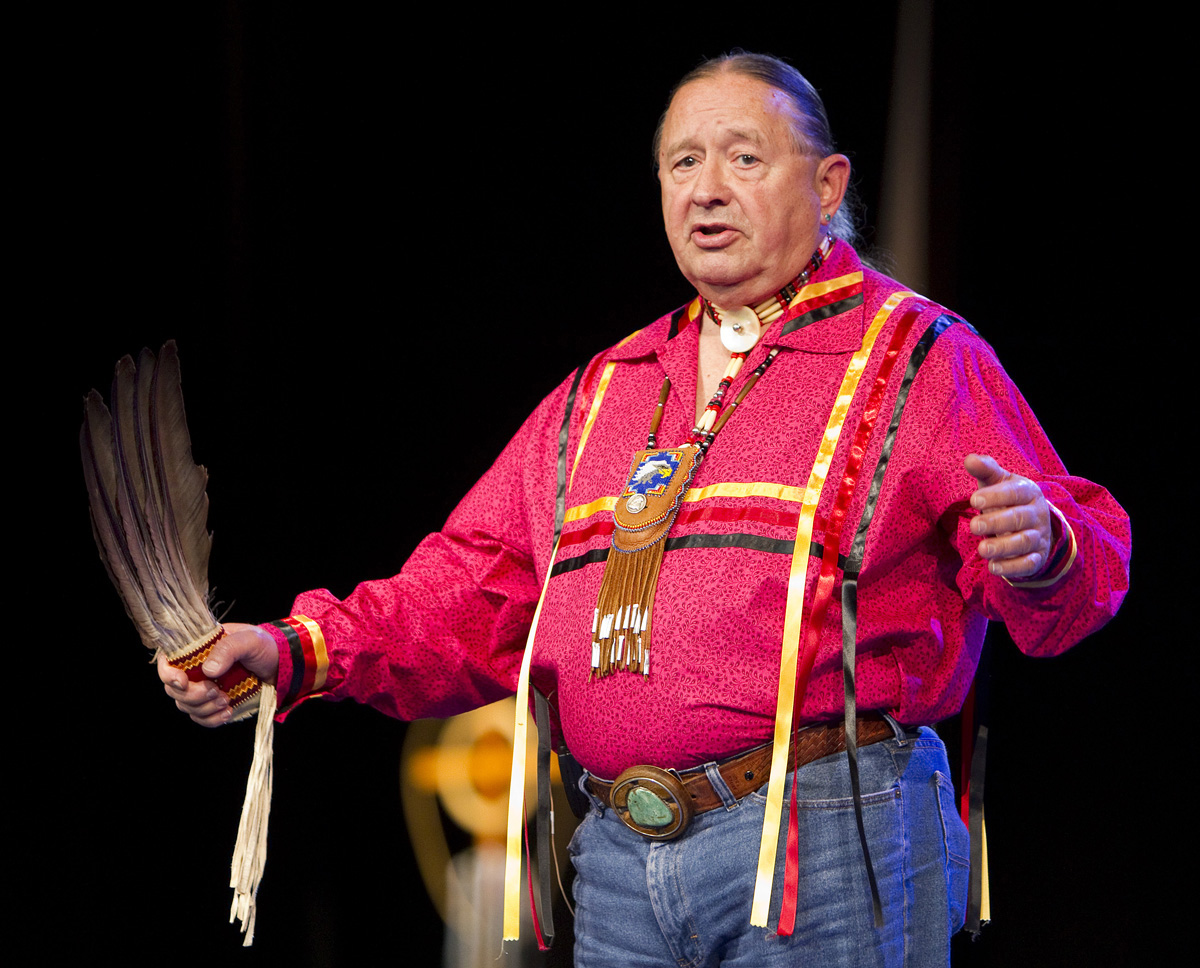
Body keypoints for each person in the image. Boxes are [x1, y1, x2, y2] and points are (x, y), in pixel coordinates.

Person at [159, 52, 1130, 966]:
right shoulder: (608, 389)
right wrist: (296, 647)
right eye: (682, 161)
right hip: (621, 856)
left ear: (828, 186)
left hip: (824, 842)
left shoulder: (916, 353)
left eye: (743, 157)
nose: (705, 187)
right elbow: (474, 585)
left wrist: (1045, 549)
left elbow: (1084, 550)